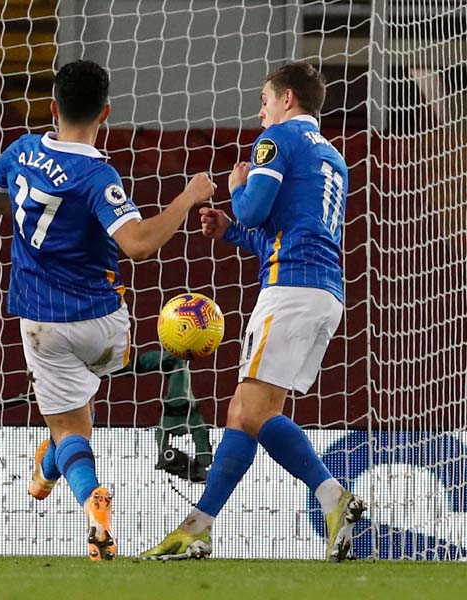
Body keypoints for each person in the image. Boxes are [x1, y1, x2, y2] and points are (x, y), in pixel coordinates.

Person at [0, 59, 216, 560]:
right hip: (103, 326)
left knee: (72, 429)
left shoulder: (19, 152)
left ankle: (89, 496)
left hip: (41, 323)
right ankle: (48, 467)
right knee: (85, 398)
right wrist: (188, 196)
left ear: (52, 108)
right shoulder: (97, 175)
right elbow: (137, 245)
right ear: (106, 113)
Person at [141, 61, 364, 563]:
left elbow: (253, 208)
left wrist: (237, 186)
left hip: (290, 290)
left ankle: (333, 496)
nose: (259, 110)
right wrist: (229, 231)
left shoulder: (277, 141)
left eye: (264, 99)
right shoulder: (332, 156)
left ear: (287, 99)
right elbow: (277, 230)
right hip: (324, 291)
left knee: (255, 412)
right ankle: (197, 527)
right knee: (243, 414)